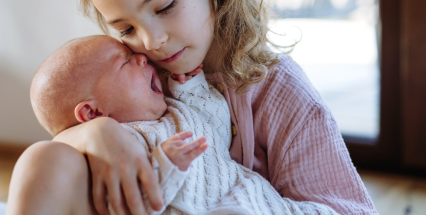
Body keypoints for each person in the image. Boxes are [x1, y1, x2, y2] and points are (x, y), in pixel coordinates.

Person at [5, 0, 377, 215]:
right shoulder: (136, 84)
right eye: (125, 29)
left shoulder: (278, 90)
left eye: (165, 7)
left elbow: (349, 210)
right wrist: (97, 133)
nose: (151, 43)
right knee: (42, 159)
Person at [26, 34, 337, 215]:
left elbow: (216, 128)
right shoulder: (124, 144)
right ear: (93, 114)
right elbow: (136, 200)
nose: (143, 59)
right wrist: (164, 164)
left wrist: (192, 88)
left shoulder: (174, 105)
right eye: (124, 61)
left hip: (255, 194)